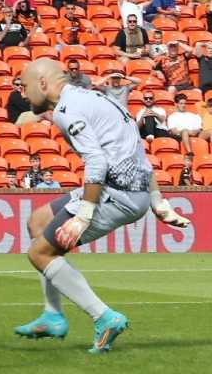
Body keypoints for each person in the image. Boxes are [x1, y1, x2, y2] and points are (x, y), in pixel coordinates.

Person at [12, 58, 190, 352]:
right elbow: (135, 149)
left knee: (39, 253)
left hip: (116, 193)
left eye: (24, 85)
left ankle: (104, 317)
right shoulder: (98, 98)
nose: (22, 93)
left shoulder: (67, 111)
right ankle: (52, 315)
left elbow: (96, 162)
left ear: (43, 83)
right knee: (38, 222)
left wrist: (84, 214)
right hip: (131, 189)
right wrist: (158, 201)